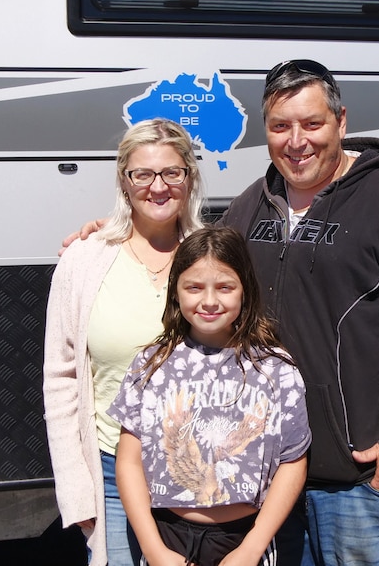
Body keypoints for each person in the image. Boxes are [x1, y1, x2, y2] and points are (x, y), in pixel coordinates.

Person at [64, 59, 379, 565]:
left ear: (341, 122)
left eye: (312, 123)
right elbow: (200, 256)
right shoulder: (252, 205)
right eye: (280, 127)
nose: (296, 141)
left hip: (358, 480)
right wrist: (122, 230)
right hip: (267, 486)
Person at [43, 118, 207, 566]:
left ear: (189, 178)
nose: (158, 186)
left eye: (173, 172)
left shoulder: (212, 255)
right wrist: (78, 497)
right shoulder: (84, 260)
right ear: (124, 180)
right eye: (143, 174)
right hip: (113, 474)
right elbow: (60, 380)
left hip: (202, 475)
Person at [107, 226, 311, 566]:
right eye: (194, 287)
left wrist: (251, 549)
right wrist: (155, 550)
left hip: (244, 538)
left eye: (225, 287)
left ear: (245, 289)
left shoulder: (276, 369)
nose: (210, 301)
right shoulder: (151, 365)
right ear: (176, 292)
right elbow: (128, 461)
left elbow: (293, 462)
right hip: (167, 536)